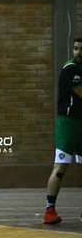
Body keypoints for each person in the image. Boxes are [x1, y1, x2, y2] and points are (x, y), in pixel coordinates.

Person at [43, 37, 82, 224]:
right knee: (60, 167)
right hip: (68, 124)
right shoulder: (70, 69)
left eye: (81, 49)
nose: (78, 52)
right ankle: (49, 210)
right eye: (75, 49)